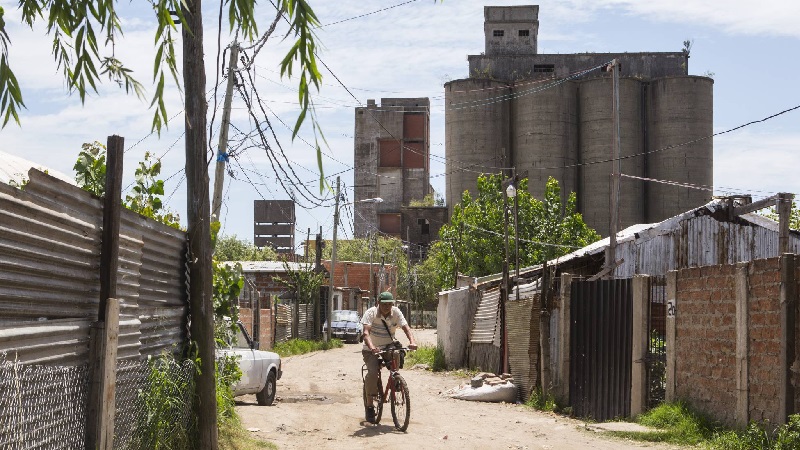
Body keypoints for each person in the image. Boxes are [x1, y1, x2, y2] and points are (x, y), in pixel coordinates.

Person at [361, 291, 417, 423]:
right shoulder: (371, 313)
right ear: (378, 303)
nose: (387, 306)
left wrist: (412, 342)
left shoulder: (396, 312)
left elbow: (406, 328)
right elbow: (365, 333)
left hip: (388, 346)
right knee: (373, 373)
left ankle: (395, 380)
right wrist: (372, 347)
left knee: (397, 353)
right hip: (371, 349)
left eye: (389, 304)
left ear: (393, 304)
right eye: (384, 304)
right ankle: (369, 405)